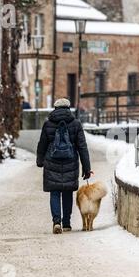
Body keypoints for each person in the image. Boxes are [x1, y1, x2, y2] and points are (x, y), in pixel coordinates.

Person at [36, 98, 91, 234]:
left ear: (55, 108)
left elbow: (42, 144)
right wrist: (86, 167)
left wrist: (40, 160)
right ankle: (66, 223)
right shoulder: (76, 124)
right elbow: (82, 147)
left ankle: (56, 222)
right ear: (68, 108)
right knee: (67, 193)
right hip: (70, 162)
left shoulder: (48, 124)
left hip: (52, 162)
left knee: (55, 192)